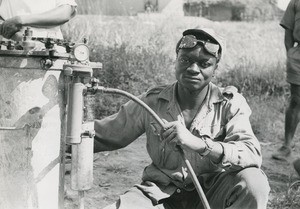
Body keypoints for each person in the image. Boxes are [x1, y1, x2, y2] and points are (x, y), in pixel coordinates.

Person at [93, 28, 270, 209]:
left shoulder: (229, 104)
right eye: (185, 60)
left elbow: (251, 154)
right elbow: (105, 133)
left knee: (254, 184)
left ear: (215, 69)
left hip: (210, 196)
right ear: (175, 62)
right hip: (160, 195)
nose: (193, 69)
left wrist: (199, 144)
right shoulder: (153, 101)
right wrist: (68, 135)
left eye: (204, 63)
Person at [272, 0, 300, 164]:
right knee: (296, 100)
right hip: (298, 58)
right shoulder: (295, 2)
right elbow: (288, 30)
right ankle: (286, 146)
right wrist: (290, 53)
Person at [0, 0, 77, 50]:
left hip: (49, 52)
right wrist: (15, 35)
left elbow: (64, 13)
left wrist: (21, 20)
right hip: (10, 51)